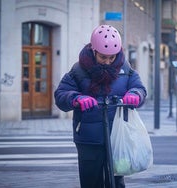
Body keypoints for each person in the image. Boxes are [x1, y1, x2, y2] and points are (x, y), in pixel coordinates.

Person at [54, 25, 147, 188]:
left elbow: (139, 88)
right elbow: (61, 94)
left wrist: (135, 94)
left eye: (112, 57)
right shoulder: (78, 70)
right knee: (91, 181)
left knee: (116, 181)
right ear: (93, 50)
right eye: (103, 57)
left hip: (117, 136)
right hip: (89, 138)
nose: (108, 62)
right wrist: (76, 98)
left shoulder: (125, 68)